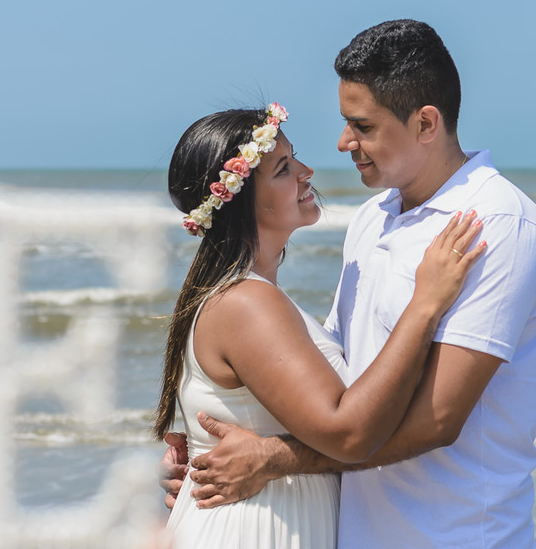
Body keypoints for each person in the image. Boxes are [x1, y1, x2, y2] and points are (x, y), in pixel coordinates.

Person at [162, 20, 536, 548]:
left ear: (425, 123)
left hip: (453, 534)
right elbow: (334, 372)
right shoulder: (373, 218)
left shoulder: (495, 225)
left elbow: (437, 418)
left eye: (363, 126)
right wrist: (197, 429)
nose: (343, 142)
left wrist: (276, 458)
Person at [157, 101, 487, 548]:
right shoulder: (247, 303)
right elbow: (348, 434)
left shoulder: (248, 296)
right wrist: (425, 305)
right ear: (239, 202)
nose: (307, 171)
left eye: (294, 158)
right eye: (283, 168)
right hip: (255, 530)